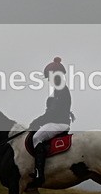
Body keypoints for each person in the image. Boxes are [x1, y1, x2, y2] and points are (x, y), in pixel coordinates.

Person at [29, 57, 74, 185]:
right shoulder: (58, 90)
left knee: (36, 138)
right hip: (55, 122)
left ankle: (39, 175)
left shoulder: (61, 90)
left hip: (59, 124)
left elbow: (53, 113)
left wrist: (37, 121)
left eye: (49, 77)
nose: (49, 80)